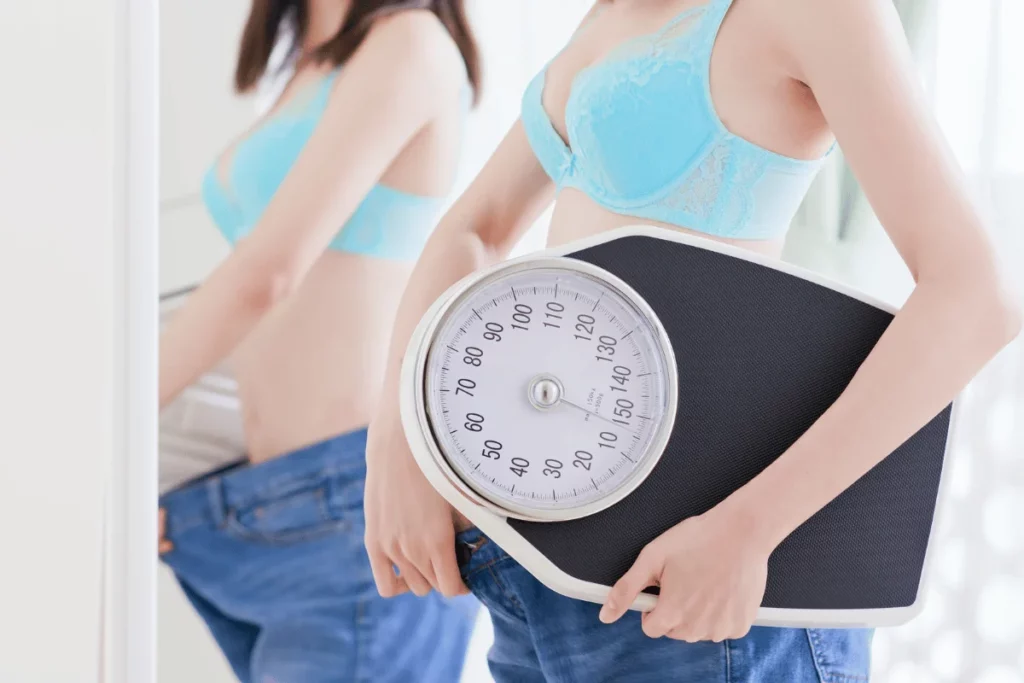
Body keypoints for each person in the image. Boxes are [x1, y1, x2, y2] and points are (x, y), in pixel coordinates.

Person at [364, 0, 1021, 681]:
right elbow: (474, 228)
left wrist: (748, 530)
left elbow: (976, 295)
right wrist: (401, 440)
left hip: (690, 577)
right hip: (536, 563)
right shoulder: (607, 15)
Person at [156, 1, 482, 681]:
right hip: (269, 503)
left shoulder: (410, 41)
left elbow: (267, 275)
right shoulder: (309, 58)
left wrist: (109, 434)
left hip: (356, 504)